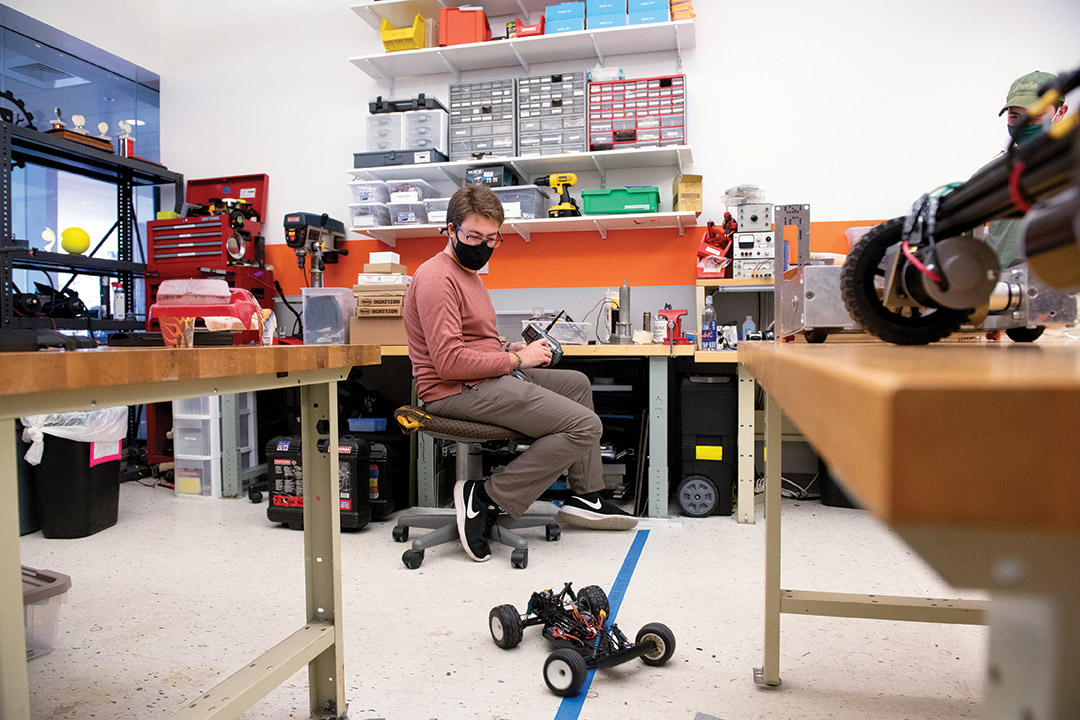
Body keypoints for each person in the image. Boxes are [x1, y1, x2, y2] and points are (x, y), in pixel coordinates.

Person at [403, 184, 636, 563]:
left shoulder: (469, 275)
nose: (482, 245)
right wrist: (516, 362)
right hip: (454, 390)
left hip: (482, 377)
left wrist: (512, 350)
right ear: (450, 230)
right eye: (473, 236)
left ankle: (587, 495)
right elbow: (448, 363)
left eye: (492, 238)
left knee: (576, 384)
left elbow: (475, 343)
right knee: (585, 426)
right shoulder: (436, 278)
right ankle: (486, 496)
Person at [984, 70, 1069, 268]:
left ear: (1061, 113)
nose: (1024, 125)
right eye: (1015, 116)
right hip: (1005, 293)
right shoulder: (989, 178)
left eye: (1036, 116)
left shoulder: (1072, 168)